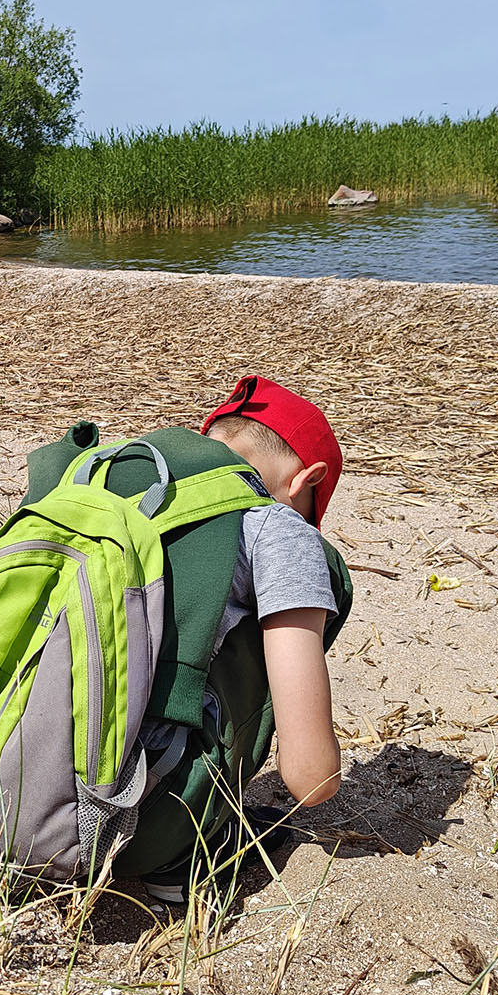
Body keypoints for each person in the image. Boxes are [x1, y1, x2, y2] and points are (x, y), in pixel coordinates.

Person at [131, 376, 348, 902]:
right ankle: (179, 855)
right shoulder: (278, 526)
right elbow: (311, 779)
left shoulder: (126, 487)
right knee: (305, 593)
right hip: (129, 828)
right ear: (306, 480)